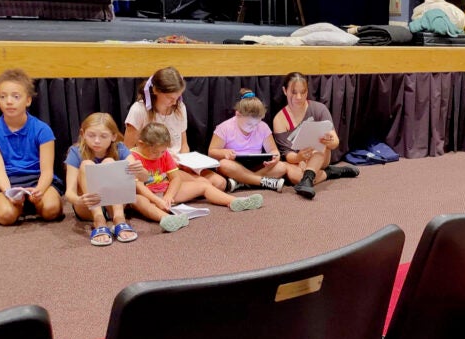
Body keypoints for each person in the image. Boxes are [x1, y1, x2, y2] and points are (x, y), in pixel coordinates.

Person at [130, 123, 263, 232]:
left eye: (162, 151)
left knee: (204, 185)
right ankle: (166, 218)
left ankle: (234, 201)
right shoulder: (132, 157)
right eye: (154, 152)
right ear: (141, 144)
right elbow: (138, 186)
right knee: (137, 200)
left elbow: (175, 178)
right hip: (146, 194)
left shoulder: (164, 154)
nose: (159, 155)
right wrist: (157, 200)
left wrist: (169, 196)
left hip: (164, 191)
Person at [122, 66, 229, 192]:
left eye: (177, 97)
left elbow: (184, 144)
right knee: (206, 184)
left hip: (178, 164)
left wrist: (185, 162)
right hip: (156, 166)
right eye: (170, 98)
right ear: (155, 90)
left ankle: (177, 191)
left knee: (220, 183)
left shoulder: (179, 107)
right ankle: (172, 191)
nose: (174, 102)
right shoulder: (139, 109)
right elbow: (127, 150)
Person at [0, 68, 64, 225]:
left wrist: (39, 190)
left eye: (16, 96)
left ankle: (33, 204)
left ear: (28, 100)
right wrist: (9, 192)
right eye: (3, 97)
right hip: (8, 182)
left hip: (37, 179)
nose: (9, 101)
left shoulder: (42, 129)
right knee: (7, 215)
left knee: (52, 210)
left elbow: (47, 171)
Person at [271, 72, 359, 200]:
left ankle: (308, 178)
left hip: (320, 155)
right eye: (294, 92)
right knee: (294, 177)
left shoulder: (319, 109)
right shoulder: (280, 119)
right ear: (285, 91)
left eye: (303, 92)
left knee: (319, 141)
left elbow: (335, 142)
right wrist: (299, 157)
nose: (299, 97)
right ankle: (328, 173)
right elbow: (286, 153)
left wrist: (329, 141)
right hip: (298, 161)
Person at [64, 113, 143, 246]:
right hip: (88, 208)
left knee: (109, 161)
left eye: (103, 136)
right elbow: (69, 192)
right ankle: (99, 220)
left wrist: (140, 170)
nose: (96, 141)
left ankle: (119, 218)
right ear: (82, 134)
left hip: (115, 205)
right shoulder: (75, 151)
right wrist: (79, 200)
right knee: (86, 164)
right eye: (91, 135)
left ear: (113, 136)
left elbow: (142, 177)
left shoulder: (120, 148)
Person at [208, 89, 290, 191]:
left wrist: (275, 158)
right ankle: (261, 181)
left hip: (256, 167)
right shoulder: (224, 127)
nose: (254, 128)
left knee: (281, 167)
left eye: (256, 124)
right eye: (249, 124)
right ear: (237, 115)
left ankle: (241, 183)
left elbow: (274, 151)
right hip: (235, 167)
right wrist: (224, 152)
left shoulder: (263, 127)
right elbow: (211, 152)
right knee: (224, 164)